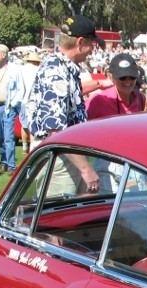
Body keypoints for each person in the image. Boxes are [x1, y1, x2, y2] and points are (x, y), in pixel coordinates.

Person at [24, 14, 104, 194]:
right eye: (91, 43)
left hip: (67, 155)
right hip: (59, 157)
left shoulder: (63, 68)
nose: (92, 49)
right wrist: (85, 169)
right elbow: (56, 130)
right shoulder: (56, 71)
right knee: (59, 219)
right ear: (80, 42)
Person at [0, 44, 28, 172]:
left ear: (4, 54)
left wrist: (14, 103)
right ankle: (4, 160)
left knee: (9, 136)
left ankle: (11, 165)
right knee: (0, 136)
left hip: (8, 106)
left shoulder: (14, 69)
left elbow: (21, 88)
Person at [87, 52, 145, 118]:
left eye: (132, 77)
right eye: (122, 77)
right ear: (111, 77)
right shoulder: (98, 100)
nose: (128, 81)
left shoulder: (140, 98)